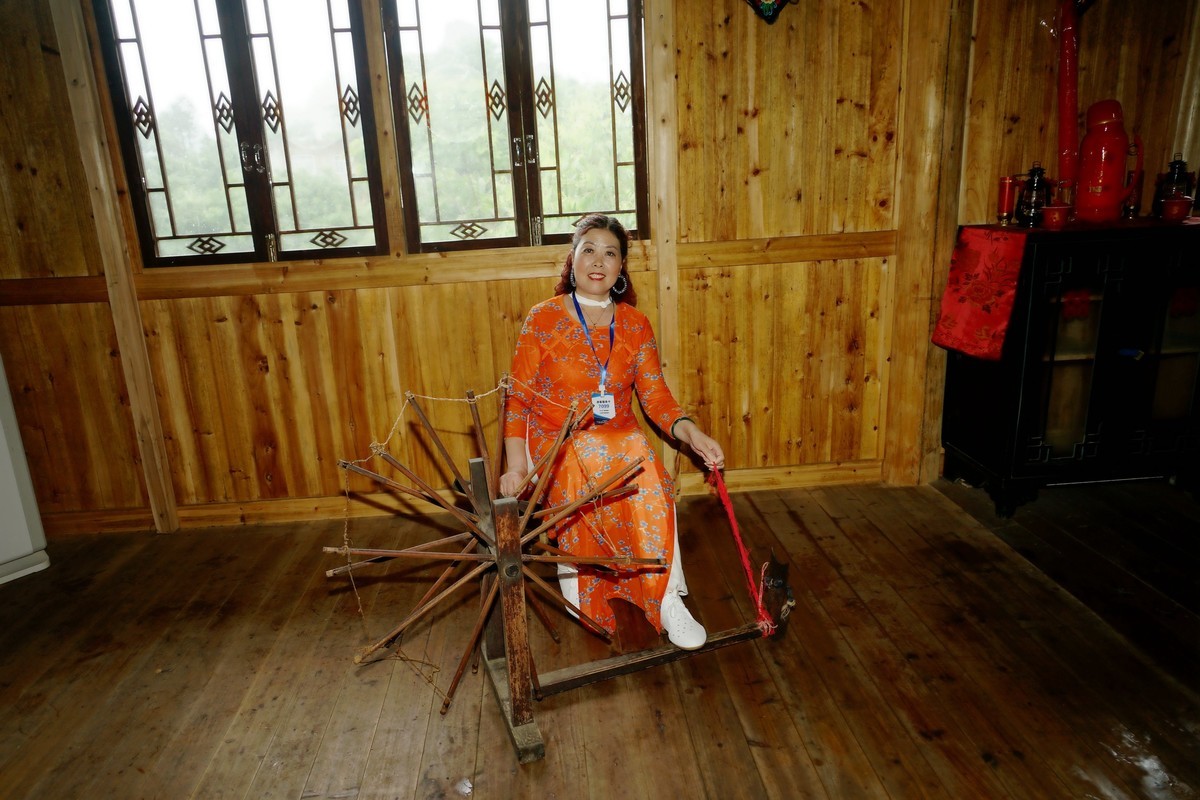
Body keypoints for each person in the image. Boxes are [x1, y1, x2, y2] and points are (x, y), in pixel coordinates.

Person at [498, 214, 725, 650]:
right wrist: (516, 466)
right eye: (589, 250)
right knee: (619, 449)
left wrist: (693, 434)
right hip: (557, 444)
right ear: (572, 259)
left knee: (645, 464)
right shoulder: (541, 319)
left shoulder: (635, 325)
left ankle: (667, 598)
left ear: (621, 268)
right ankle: (591, 588)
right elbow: (518, 400)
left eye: (610, 253)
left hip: (620, 441)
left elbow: (656, 398)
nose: (598, 261)